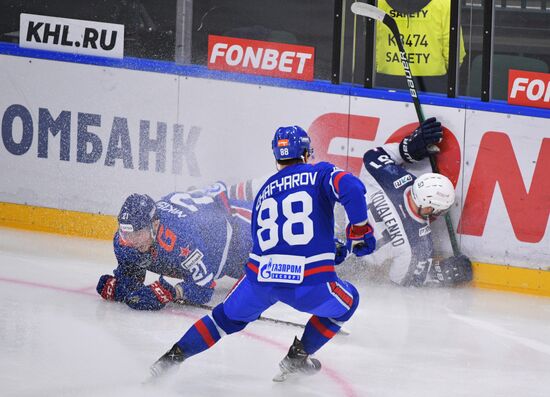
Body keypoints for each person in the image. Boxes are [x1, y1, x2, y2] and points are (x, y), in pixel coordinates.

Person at [148, 125, 376, 381]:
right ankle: (297, 357)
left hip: (260, 280)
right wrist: (359, 228)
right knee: (348, 302)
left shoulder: (266, 190)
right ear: (305, 152)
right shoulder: (318, 173)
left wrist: (328, 248)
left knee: (221, 319)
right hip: (306, 281)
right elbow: (352, 189)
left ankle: (170, 358)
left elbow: (270, 241)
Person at [96, 182, 253, 311]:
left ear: (155, 226)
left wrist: (173, 292)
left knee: (267, 271)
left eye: (138, 233)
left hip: (238, 234)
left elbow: (204, 289)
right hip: (205, 215)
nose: (132, 241)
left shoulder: (181, 240)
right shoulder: (123, 243)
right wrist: (122, 287)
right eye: (126, 233)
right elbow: (131, 277)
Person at [356, 116, 472, 287]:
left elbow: (373, 156)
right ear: (430, 208)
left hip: (332, 226)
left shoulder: (391, 177)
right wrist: (443, 271)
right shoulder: (420, 244)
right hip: (355, 263)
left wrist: (407, 149)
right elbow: (405, 280)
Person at [374, 0, 467, 93]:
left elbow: (371, 47)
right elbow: (455, 56)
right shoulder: (445, 3)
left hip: (385, 82)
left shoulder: (378, 2)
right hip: (433, 85)